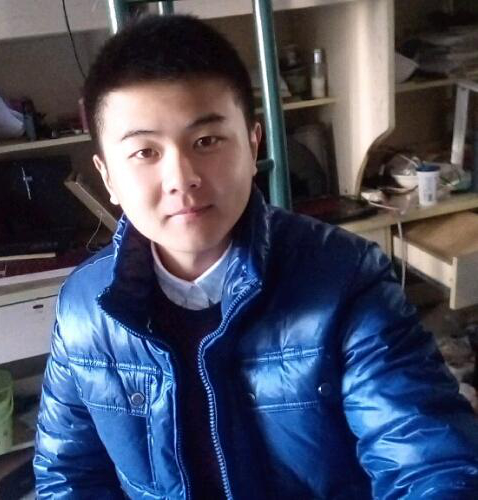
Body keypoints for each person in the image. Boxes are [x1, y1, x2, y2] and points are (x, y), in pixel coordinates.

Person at [34, 14, 478, 499]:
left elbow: (430, 463)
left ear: (252, 143)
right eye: (145, 152)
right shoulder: (84, 307)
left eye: (206, 141)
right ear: (108, 177)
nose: (181, 178)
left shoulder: (346, 279)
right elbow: (67, 478)